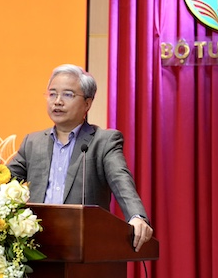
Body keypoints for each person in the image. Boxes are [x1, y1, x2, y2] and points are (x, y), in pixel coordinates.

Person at [8, 64, 154, 252]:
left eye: (67, 95)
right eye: (52, 94)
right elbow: (3, 180)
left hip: (83, 247)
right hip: (36, 247)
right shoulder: (33, 142)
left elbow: (121, 180)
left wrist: (137, 216)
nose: (57, 101)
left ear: (87, 103)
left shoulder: (103, 141)